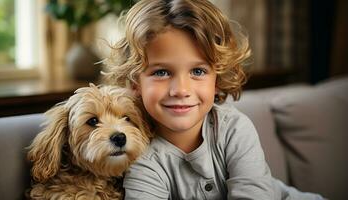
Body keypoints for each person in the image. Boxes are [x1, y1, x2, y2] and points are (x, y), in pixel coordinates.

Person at [104, 0, 325, 199]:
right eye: (161, 72)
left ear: (217, 79)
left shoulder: (234, 129)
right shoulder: (140, 157)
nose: (181, 90)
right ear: (135, 83)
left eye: (198, 72)